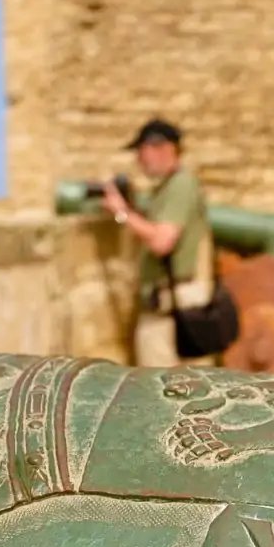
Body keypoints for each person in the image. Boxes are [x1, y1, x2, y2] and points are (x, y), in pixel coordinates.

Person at [101, 118, 217, 367]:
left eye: (141, 151)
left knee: (157, 393)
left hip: (172, 311)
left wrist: (122, 213)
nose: (139, 160)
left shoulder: (180, 185)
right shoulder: (168, 188)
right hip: (173, 308)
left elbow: (162, 242)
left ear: (163, 148)